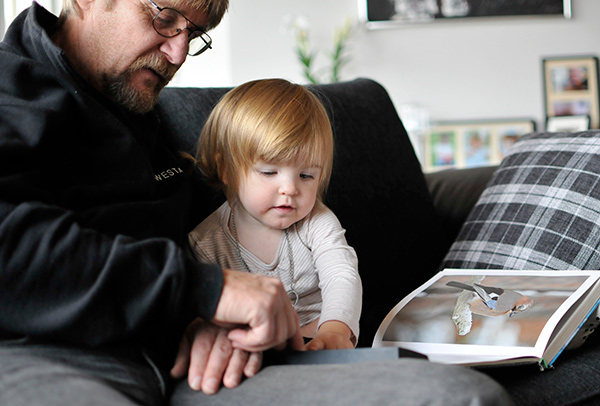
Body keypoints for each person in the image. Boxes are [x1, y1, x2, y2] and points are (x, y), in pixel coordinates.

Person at [0, 0, 513, 404]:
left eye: (193, 35)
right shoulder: (12, 94)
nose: (177, 55)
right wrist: (207, 294)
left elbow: (219, 224)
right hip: (58, 356)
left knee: (457, 395)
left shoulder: (133, 108)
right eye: (165, 17)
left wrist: (213, 319)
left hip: (205, 359)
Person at [188, 79, 362, 350]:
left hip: (324, 336)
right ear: (227, 170)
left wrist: (335, 330)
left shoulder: (317, 221)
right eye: (269, 172)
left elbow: (341, 274)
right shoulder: (206, 242)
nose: (290, 189)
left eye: (306, 175)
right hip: (260, 346)